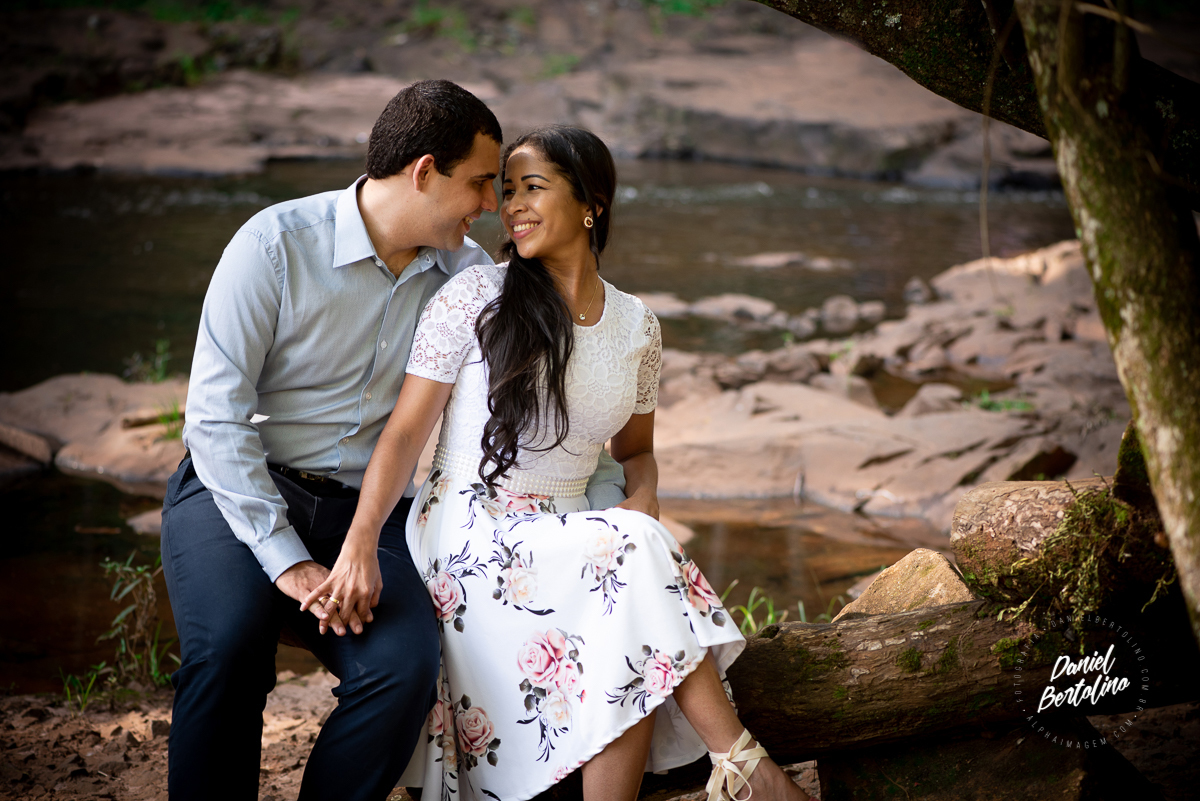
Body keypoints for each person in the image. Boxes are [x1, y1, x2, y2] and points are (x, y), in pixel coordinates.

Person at [309, 126, 813, 801]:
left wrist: (644, 499)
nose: (511, 205)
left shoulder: (637, 326)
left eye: (533, 187)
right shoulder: (473, 299)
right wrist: (362, 540)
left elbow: (636, 451)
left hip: (577, 528)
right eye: (506, 189)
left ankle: (740, 776)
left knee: (625, 587)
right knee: (628, 558)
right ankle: (749, 770)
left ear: (591, 204)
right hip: (470, 532)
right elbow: (403, 435)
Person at [161, 82, 628, 801]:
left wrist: (602, 506)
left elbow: (551, 414)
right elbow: (215, 423)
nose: (488, 206)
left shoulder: (473, 279)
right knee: (227, 650)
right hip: (241, 491)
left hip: (370, 511)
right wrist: (287, 563)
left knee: (404, 668)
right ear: (423, 172)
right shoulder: (274, 246)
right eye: (478, 183)